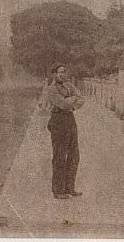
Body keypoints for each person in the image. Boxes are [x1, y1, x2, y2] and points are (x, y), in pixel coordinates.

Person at [45, 64, 84, 199]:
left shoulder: (69, 85)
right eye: (59, 72)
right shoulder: (52, 89)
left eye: (63, 72)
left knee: (74, 156)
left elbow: (81, 98)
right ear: (54, 74)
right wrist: (72, 101)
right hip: (58, 120)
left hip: (70, 120)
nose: (62, 74)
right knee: (60, 156)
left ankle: (69, 188)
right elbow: (62, 104)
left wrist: (70, 102)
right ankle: (58, 191)